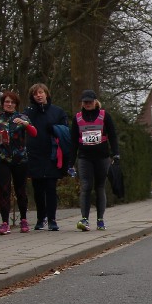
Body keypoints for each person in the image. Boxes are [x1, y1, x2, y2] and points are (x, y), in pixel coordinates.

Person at [0, 90, 37, 234]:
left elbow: (34, 133)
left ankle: (24, 220)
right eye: (7, 102)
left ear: (16, 104)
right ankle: (5, 223)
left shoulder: (22, 118)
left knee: (21, 190)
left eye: (12, 102)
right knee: (4, 190)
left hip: (20, 159)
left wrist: (25, 124)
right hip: (1, 159)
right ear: (2, 103)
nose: (9, 104)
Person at [71, 90, 120, 231]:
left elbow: (113, 136)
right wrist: (71, 163)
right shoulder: (77, 118)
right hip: (84, 158)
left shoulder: (105, 116)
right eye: (85, 102)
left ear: (95, 102)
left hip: (102, 158)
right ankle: (84, 219)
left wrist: (116, 154)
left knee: (99, 187)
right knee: (86, 187)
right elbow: (73, 142)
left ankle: (100, 220)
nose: (87, 104)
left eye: (90, 101)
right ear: (82, 103)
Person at [24, 83, 69, 231]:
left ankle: (52, 219)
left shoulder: (58, 111)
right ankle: (40, 218)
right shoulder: (28, 112)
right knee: (38, 189)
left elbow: (66, 130)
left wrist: (55, 129)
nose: (38, 95)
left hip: (52, 154)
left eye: (41, 92)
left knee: (50, 188)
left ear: (46, 94)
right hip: (34, 154)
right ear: (32, 97)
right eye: (35, 93)